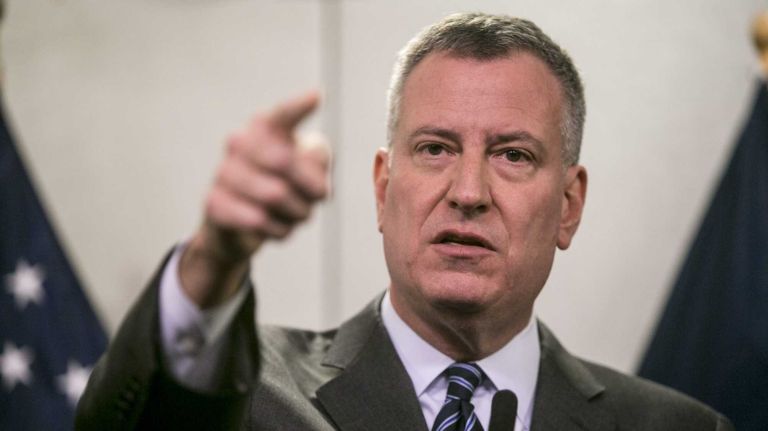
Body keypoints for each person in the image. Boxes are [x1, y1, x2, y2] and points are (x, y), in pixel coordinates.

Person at [76, 12, 733, 431]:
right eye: (436, 148)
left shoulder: (681, 427)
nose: (468, 191)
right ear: (384, 187)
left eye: (511, 154)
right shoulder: (251, 397)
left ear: (568, 206)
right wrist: (212, 262)